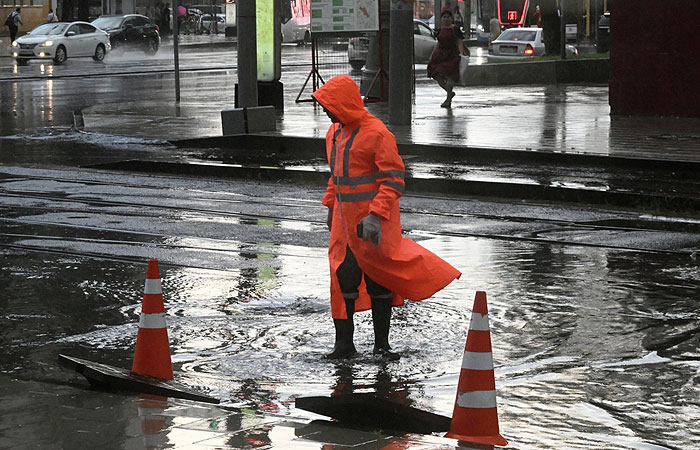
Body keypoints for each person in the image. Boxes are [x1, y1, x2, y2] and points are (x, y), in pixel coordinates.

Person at [311, 75, 461, 360]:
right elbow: (336, 177)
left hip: (373, 223)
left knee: (378, 279)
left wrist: (375, 216)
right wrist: (331, 208)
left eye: (330, 105)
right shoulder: (334, 133)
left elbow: (393, 179)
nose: (327, 111)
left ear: (344, 104)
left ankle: (382, 346)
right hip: (345, 224)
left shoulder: (377, 133)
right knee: (343, 278)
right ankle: (344, 345)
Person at [427, 9, 468, 108]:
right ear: (441, 19)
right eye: (444, 17)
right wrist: (432, 55)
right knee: (437, 74)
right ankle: (449, 93)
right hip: (441, 56)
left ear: (451, 18)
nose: (446, 19)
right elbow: (438, 44)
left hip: (452, 55)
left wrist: (461, 53)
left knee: (450, 78)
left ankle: (448, 100)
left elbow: (459, 42)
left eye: (448, 17)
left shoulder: (455, 30)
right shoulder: (440, 30)